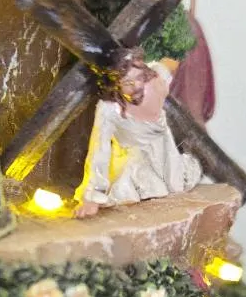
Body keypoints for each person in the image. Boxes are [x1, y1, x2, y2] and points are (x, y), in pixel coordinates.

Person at [75, 54, 202, 218]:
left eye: (139, 78)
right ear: (115, 85)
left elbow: (170, 63)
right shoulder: (109, 109)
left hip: (166, 157)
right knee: (133, 186)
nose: (136, 86)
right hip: (134, 161)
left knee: (174, 184)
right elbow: (100, 150)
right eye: (127, 82)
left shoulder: (155, 82)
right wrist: (94, 196)